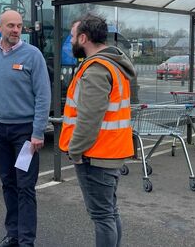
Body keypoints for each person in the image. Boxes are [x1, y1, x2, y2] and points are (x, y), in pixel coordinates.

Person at [60, 14, 135, 247]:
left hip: (95, 155)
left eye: (72, 36)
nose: (71, 41)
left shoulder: (96, 70)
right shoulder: (112, 64)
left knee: (102, 217)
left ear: (83, 38)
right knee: (110, 213)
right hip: (109, 152)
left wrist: (75, 150)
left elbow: (89, 118)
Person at [0, 10, 51, 247]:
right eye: (11, 25)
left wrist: (37, 132)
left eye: (19, 26)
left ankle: (26, 241)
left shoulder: (33, 55)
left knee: (25, 188)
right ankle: (12, 235)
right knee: (8, 184)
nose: (16, 30)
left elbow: (43, 95)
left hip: (24, 134)